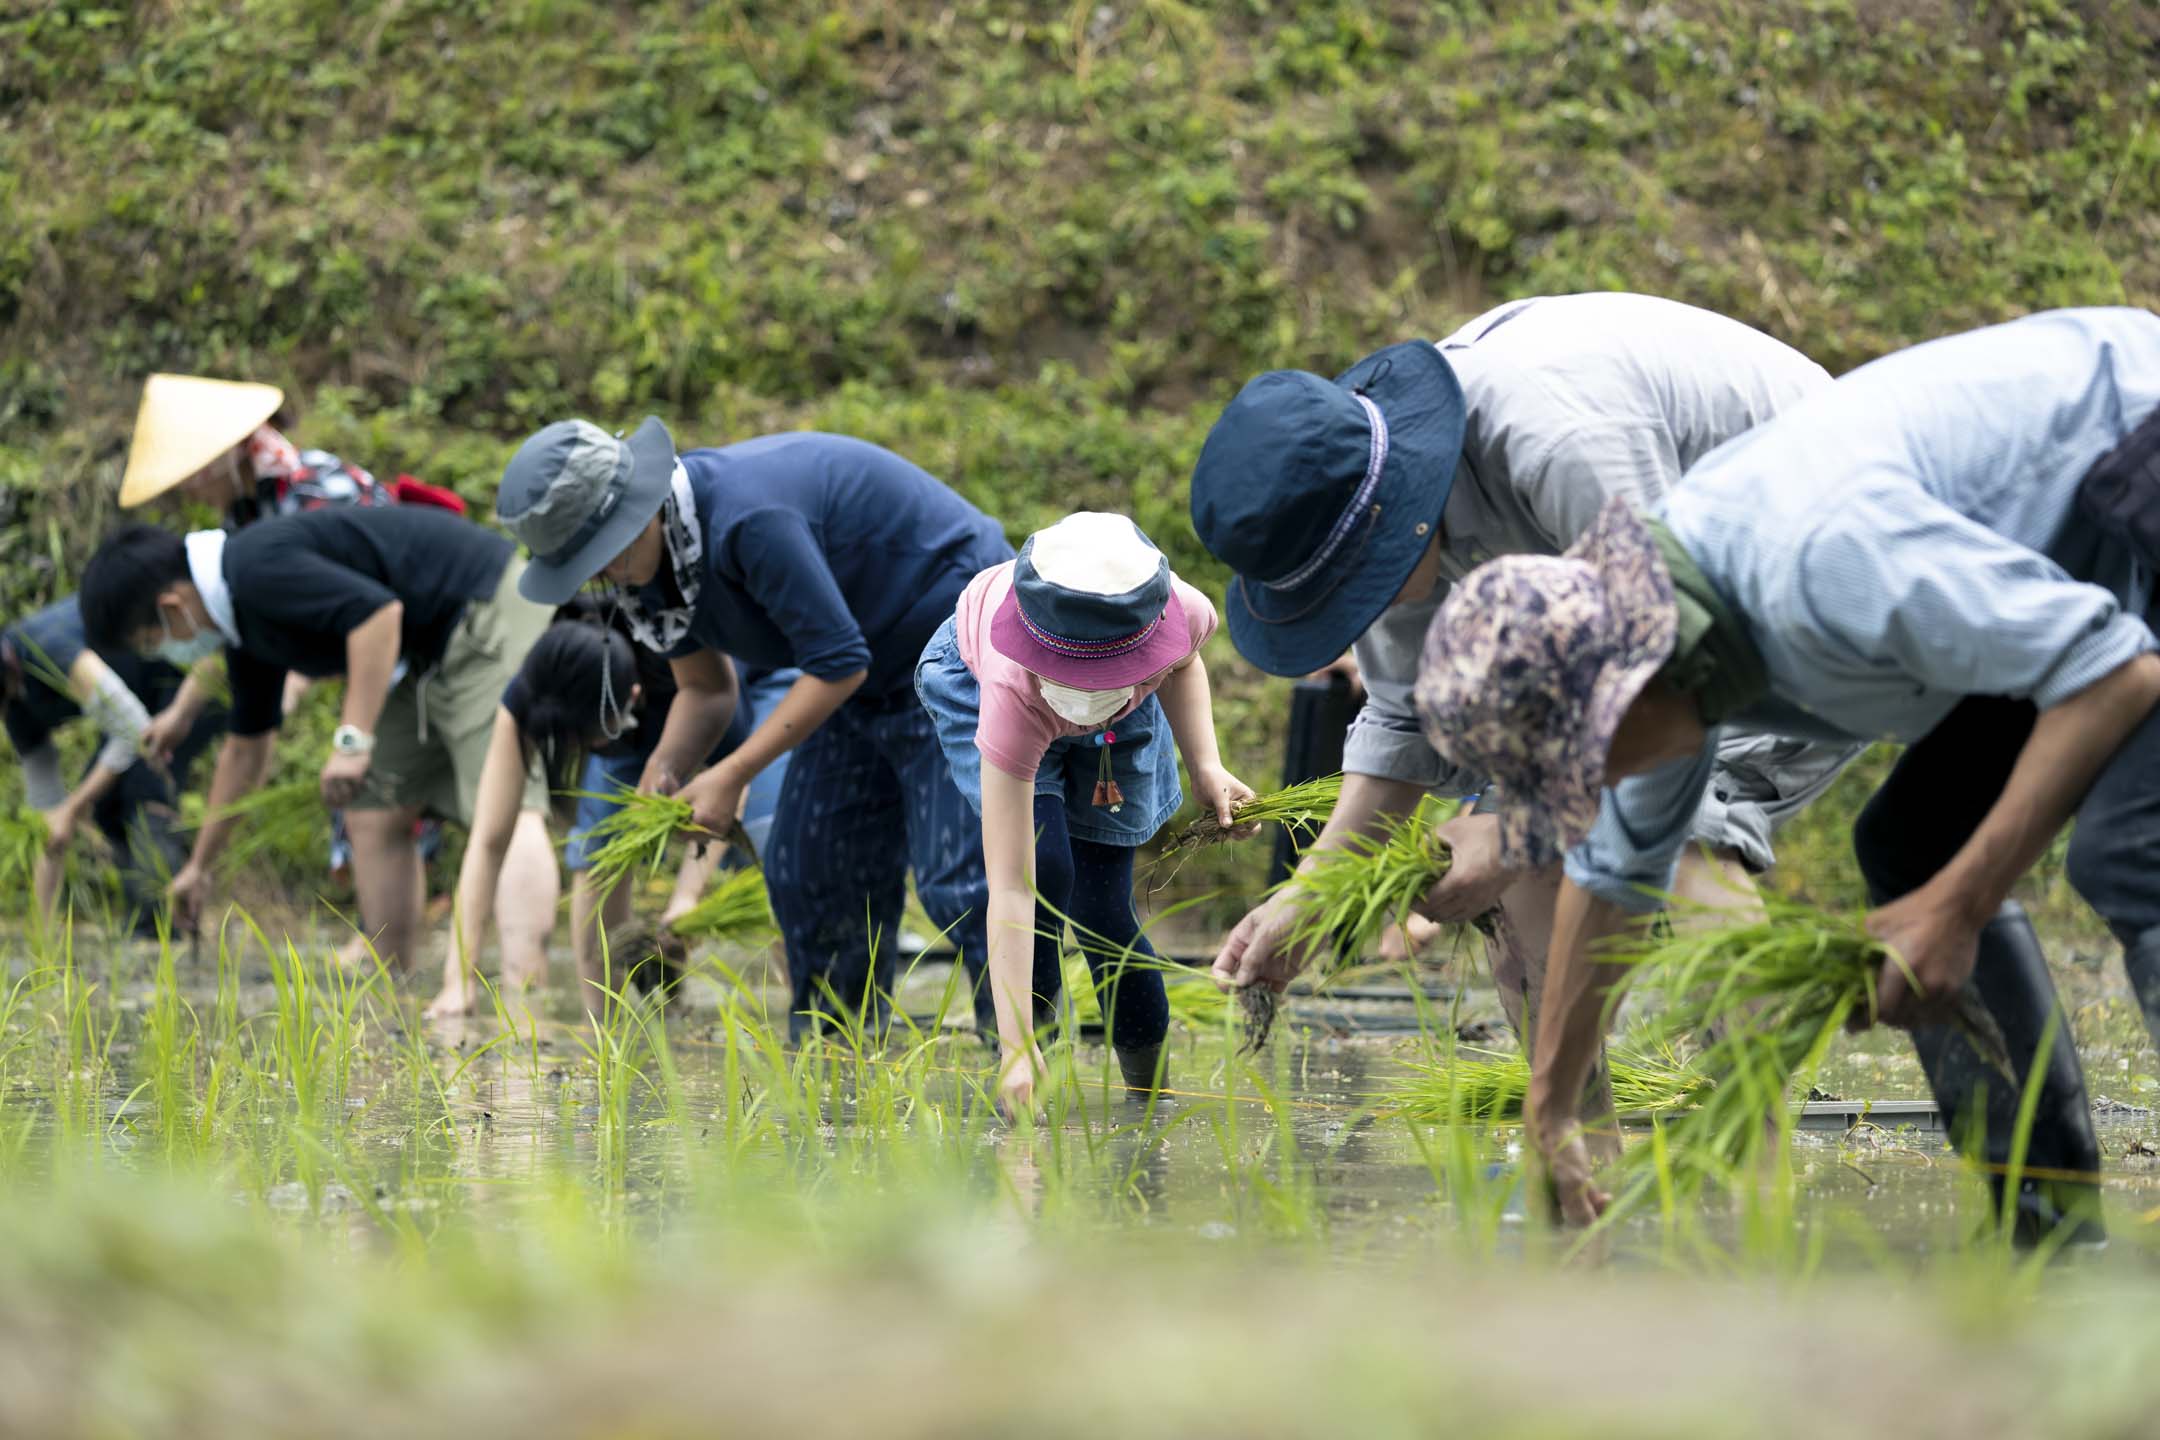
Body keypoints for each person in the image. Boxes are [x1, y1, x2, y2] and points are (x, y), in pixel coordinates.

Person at [1414, 307, 2160, 1237]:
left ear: (1629, 688)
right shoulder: (1660, 647)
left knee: (2132, 853)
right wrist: (1554, 1107)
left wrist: (1958, 911)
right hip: (2058, 567)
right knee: (1912, 839)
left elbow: (2115, 674)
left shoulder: (1821, 569)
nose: (1596, 794)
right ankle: (2047, 1221)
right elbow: (1613, 880)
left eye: (1587, 770)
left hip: (2135, 453)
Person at [1189, 292, 1854, 1154]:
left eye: (1357, 585)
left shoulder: (1557, 435)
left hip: (1801, 573)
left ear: (1392, 512)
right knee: (1518, 889)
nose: (1363, 610)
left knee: (1689, 832)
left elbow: (1674, 661)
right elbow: (1405, 717)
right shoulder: (1379, 507)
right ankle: (1579, 1169)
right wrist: (1311, 898)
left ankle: (1756, 1190)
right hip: (1650, 621)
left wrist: (1510, 837)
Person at [493, 419, 1014, 1040]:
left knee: (957, 877)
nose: (601, 573)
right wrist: (662, 774)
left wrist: (731, 774)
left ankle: (1025, 1057)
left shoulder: (747, 519)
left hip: (953, 638)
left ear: (637, 512)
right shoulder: (651, 573)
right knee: (809, 869)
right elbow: (707, 689)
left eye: (599, 553)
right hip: (860, 669)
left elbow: (839, 663)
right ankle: (837, 1064)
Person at [76, 506, 558, 975]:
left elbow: (377, 617)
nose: (164, 652)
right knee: (372, 809)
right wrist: (200, 866)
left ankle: (527, 1007)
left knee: (508, 809)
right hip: (425, 652)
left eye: (150, 641)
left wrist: (352, 742)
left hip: (484, 608)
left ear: (172, 607)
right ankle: (394, 987)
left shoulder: (255, 568)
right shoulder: (241, 625)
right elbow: (246, 751)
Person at [117, 372, 468, 958]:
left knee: (380, 802)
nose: (189, 497)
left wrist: (302, 686)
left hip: (427, 644)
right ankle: (391, 953)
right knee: (368, 811)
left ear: (218, 461)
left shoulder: (312, 492)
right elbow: (241, 626)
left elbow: (362, 606)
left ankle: (408, 954)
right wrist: (184, 709)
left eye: (189, 482)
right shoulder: (245, 516)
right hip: (386, 655)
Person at [916, 512, 1255, 1111]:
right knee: (1044, 874)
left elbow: (1182, 665)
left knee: (1103, 906)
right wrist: (1016, 1047)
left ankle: (1150, 1094)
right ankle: (1026, 1071)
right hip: (989, 688)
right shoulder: (1009, 687)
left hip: (1124, 721)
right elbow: (1012, 891)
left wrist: (1206, 763)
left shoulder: (1182, 613)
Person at [430, 598, 797, 1017]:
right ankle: (605, 1031)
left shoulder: (694, 678)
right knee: (597, 861)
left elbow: (734, 789)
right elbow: (489, 840)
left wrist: (686, 898)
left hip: (750, 686)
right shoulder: (536, 695)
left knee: (777, 844)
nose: (588, 752)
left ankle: (815, 1008)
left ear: (633, 696)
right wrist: (457, 982)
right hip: (622, 717)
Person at [2, 594, 224, 927]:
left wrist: (73, 808)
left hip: (192, 674)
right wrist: (41, 932)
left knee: (143, 784)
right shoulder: (15, 706)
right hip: (139, 699)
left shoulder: (45, 646)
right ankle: (144, 920)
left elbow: (133, 728)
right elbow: (49, 820)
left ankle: (160, 930)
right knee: (105, 798)